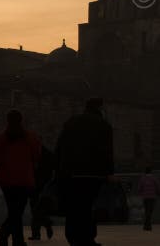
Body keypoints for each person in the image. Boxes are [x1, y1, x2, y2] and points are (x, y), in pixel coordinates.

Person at [55, 98, 114, 246]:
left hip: (71, 172)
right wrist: (109, 172)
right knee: (88, 206)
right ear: (99, 108)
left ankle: (72, 236)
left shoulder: (71, 122)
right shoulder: (104, 125)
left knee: (73, 205)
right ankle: (88, 237)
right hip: (93, 173)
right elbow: (107, 151)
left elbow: (60, 146)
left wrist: (58, 168)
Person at [0, 110, 41, 246]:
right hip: (24, 178)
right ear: (21, 120)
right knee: (17, 211)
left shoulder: (1, 138)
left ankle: (13, 237)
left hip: (7, 179)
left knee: (13, 210)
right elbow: (37, 156)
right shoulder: (30, 137)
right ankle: (12, 237)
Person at [27, 144, 55, 241]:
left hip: (35, 184)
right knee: (37, 209)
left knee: (35, 209)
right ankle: (45, 224)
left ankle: (37, 233)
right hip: (43, 185)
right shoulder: (48, 154)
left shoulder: (33, 154)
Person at [137, 166, 160, 231]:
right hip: (152, 197)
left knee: (147, 211)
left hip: (145, 197)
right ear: (151, 171)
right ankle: (148, 226)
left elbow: (139, 188)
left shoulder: (142, 179)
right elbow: (159, 187)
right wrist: (159, 192)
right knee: (150, 211)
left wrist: (141, 193)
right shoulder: (154, 178)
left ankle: (146, 226)